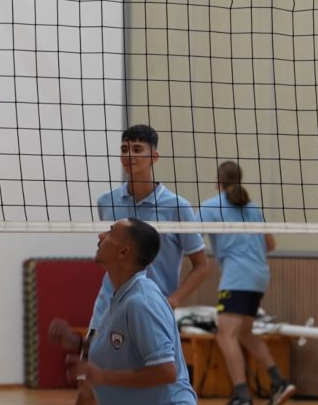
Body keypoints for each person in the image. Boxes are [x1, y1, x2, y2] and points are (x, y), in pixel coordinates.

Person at [50, 124, 210, 405]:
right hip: (112, 301)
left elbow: (202, 265)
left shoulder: (177, 207)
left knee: (145, 372)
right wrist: (77, 344)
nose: (129, 155)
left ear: (154, 158)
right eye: (124, 149)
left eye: (137, 150)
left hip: (147, 303)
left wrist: (172, 300)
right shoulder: (107, 201)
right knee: (89, 387)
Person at [67, 217, 197, 405]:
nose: (101, 235)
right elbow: (118, 351)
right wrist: (78, 343)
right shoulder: (119, 297)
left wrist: (103, 377)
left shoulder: (141, 302)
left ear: (124, 251)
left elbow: (166, 371)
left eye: (110, 233)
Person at [198, 161, 296, 405]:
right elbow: (270, 245)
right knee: (245, 333)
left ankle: (242, 396)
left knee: (225, 336)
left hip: (237, 276)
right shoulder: (252, 207)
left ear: (217, 182)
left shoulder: (210, 206)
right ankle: (279, 381)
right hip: (259, 276)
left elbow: (192, 239)